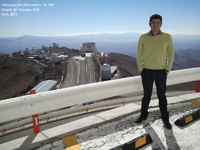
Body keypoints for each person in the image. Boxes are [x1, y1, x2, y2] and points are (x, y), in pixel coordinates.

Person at [135, 14, 174, 129]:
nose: (155, 25)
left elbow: (171, 53)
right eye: (153, 22)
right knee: (146, 95)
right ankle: (143, 115)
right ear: (149, 24)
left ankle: (165, 118)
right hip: (146, 70)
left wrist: (168, 68)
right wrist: (140, 68)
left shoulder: (167, 37)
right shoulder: (143, 37)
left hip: (161, 71)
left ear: (161, 24)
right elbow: (138, 53)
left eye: (158, 22)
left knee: (161, 95)